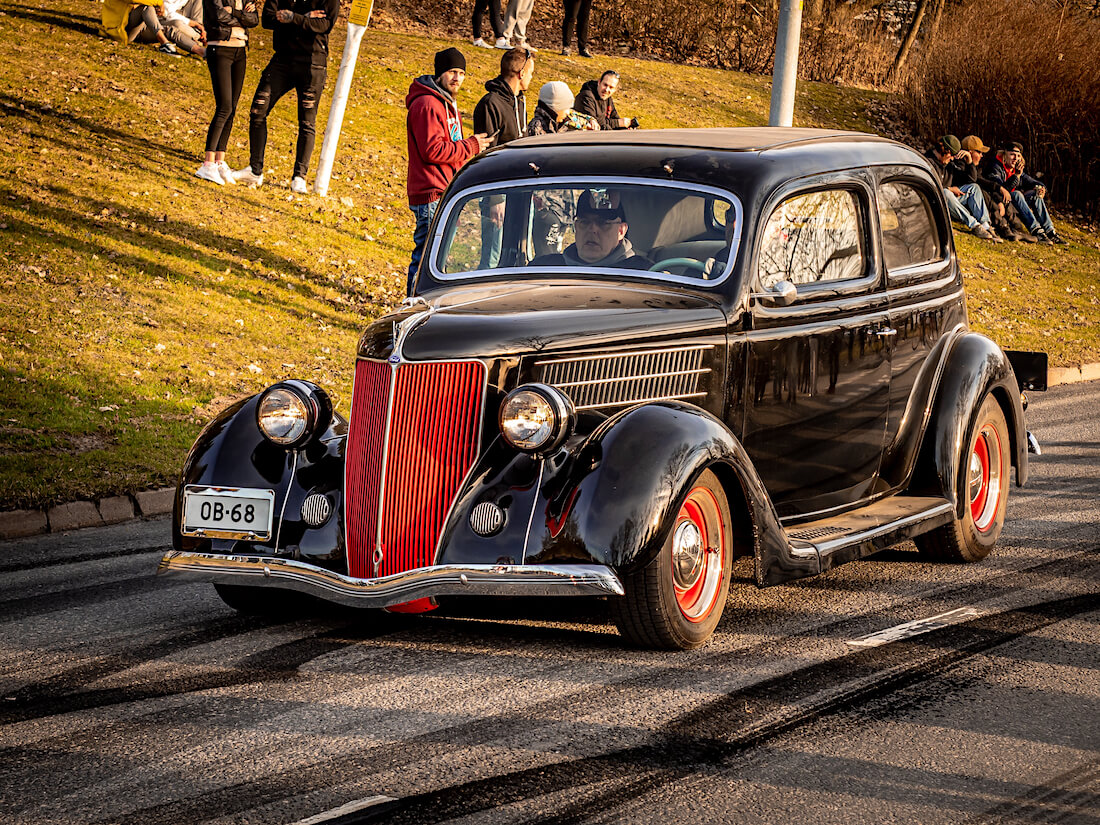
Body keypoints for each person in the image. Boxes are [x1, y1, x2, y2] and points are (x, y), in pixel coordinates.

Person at [404, 48, 491, 293]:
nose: (457, 78)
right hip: (430, 192)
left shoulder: (446, 102)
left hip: (444, 191)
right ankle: (412, 304)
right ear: (440, 72)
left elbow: (450, 143)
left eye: (462, 73)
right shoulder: (427, 104)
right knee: (424, 259)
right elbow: (433, 150)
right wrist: (471, 145)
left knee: (435, 260)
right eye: (452, 72)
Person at [231, 0, 340, 194]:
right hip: (282, 59)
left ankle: (299, 177)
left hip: (312, 63)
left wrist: (293, 17)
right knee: (258, 110)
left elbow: (324, 25)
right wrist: (305, 18)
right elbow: (268, 19)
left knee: (307, 122)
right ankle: (255, 170)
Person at [473, 47, 535, 268]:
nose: (531, 78)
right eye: (529, 73)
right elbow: (487, 155)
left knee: (517, 253)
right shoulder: (491, 103)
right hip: (498, 194)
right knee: (492, 257)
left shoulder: (520, 102)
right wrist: (495, 199)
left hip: (521, 190)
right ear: (520, 73)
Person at [526, 81, 598, 256]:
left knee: (558, 248)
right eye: (565, 109)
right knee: (547, 252)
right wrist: (540, 201)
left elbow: (588, 121)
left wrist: (591, 124)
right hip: (546, 203)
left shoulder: (566, 120)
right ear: (554, 107)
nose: (568, 113)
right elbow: (538, 165)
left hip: (564, 202)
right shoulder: (537, 128)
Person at [195, 0, 258, 185]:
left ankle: (220, 160)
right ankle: (207, 164)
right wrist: (240, 17)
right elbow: (217, 16)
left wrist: (235, 13)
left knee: (232, 108)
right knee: (224, 106)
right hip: (220, 48)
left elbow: (254, 20)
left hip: (240, 51)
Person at [530, 189, 653, 269]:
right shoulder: (543, 269)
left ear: (621, 231)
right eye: (584, 222)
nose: (592, 229)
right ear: (576, 227)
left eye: (603, 223)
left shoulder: (647, 274)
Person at [982, 142, 1066, 245]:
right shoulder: (995, 166)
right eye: (1012, 154)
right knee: (1016, 194)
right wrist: (1016, 175)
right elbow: (1001, 189)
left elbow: (1031, 181)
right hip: (1001, 203)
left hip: (1014, 204)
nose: (1015, 158)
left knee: (1035, 194)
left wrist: (1041, 188)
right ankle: (1037, 231)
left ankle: (1050, 232)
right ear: (1005, 154)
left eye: (1018, 156)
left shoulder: (1015, 169)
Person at [924, 135, 998, 242]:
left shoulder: (948, 165)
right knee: (945, 193)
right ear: (946, 151)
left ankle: (986, 226)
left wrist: (969, 162)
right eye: (952, 155)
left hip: (950, 203)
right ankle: (974, 226)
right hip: (935, 203)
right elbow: (928, 186)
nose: (953, 159)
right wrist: (949, 188)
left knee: (974, 188)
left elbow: (971, 180)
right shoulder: (928, 162)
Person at [127, 0, 206, 55]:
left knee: (171, 30)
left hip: (150, 24)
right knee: (147, 7)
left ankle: (201, 51)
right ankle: (164, 43)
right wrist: (159, 3)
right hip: (133, 29)